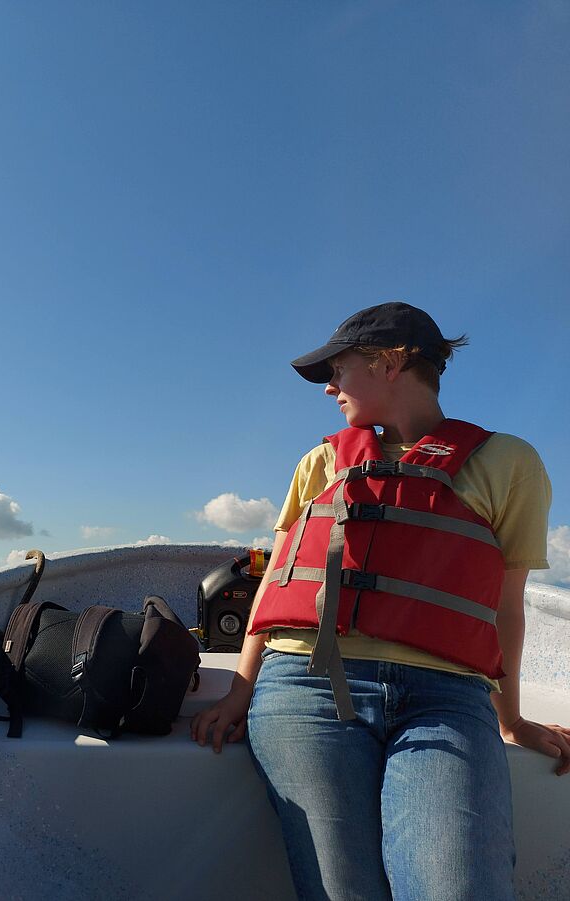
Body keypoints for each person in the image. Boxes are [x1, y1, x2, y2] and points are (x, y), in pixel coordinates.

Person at [189, 301, 568, 900]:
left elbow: (506, 609)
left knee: (458, 888)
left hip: (446, 698)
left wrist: (510, 718)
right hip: (305, 688)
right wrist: (241, 689)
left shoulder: (509, 463)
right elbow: (279, 579)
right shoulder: (320, 463)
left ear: (392, 362)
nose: (329, 388)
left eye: (337, 369)